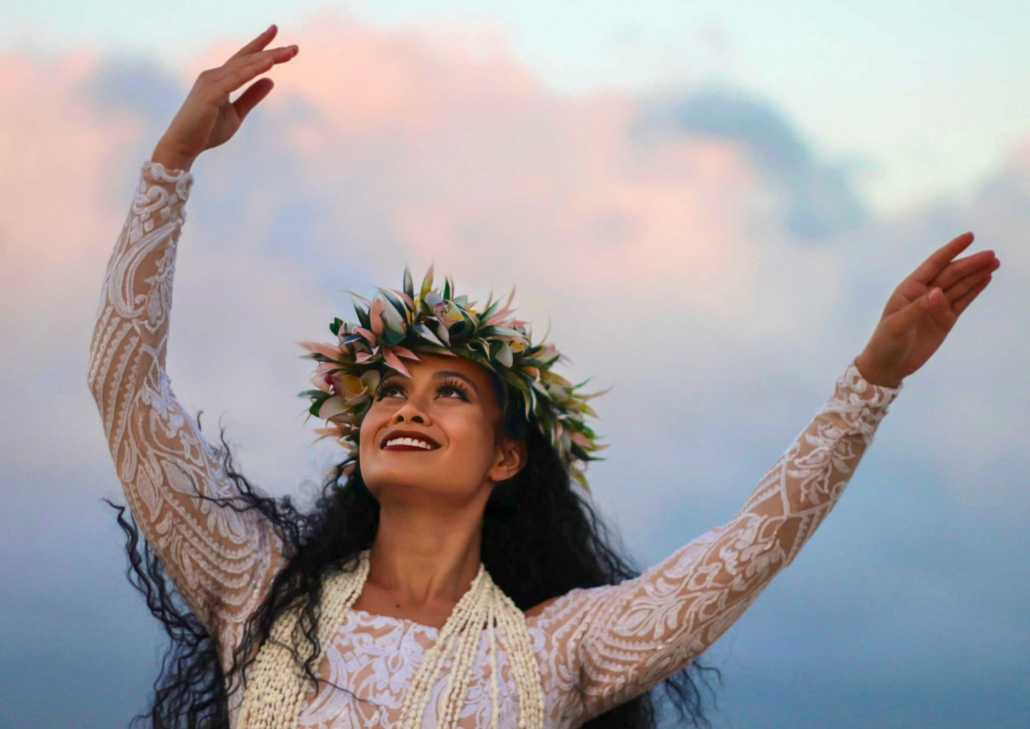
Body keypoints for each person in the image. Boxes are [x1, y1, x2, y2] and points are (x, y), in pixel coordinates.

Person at [87, 23, 1000, 729]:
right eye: (392, 392)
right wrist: (171, 165)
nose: (406, 408)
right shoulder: (256, 588)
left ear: (506, 458)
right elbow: (126, 389)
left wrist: (872, 379)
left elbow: (747, 551)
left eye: (450, 393)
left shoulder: (553, 648)